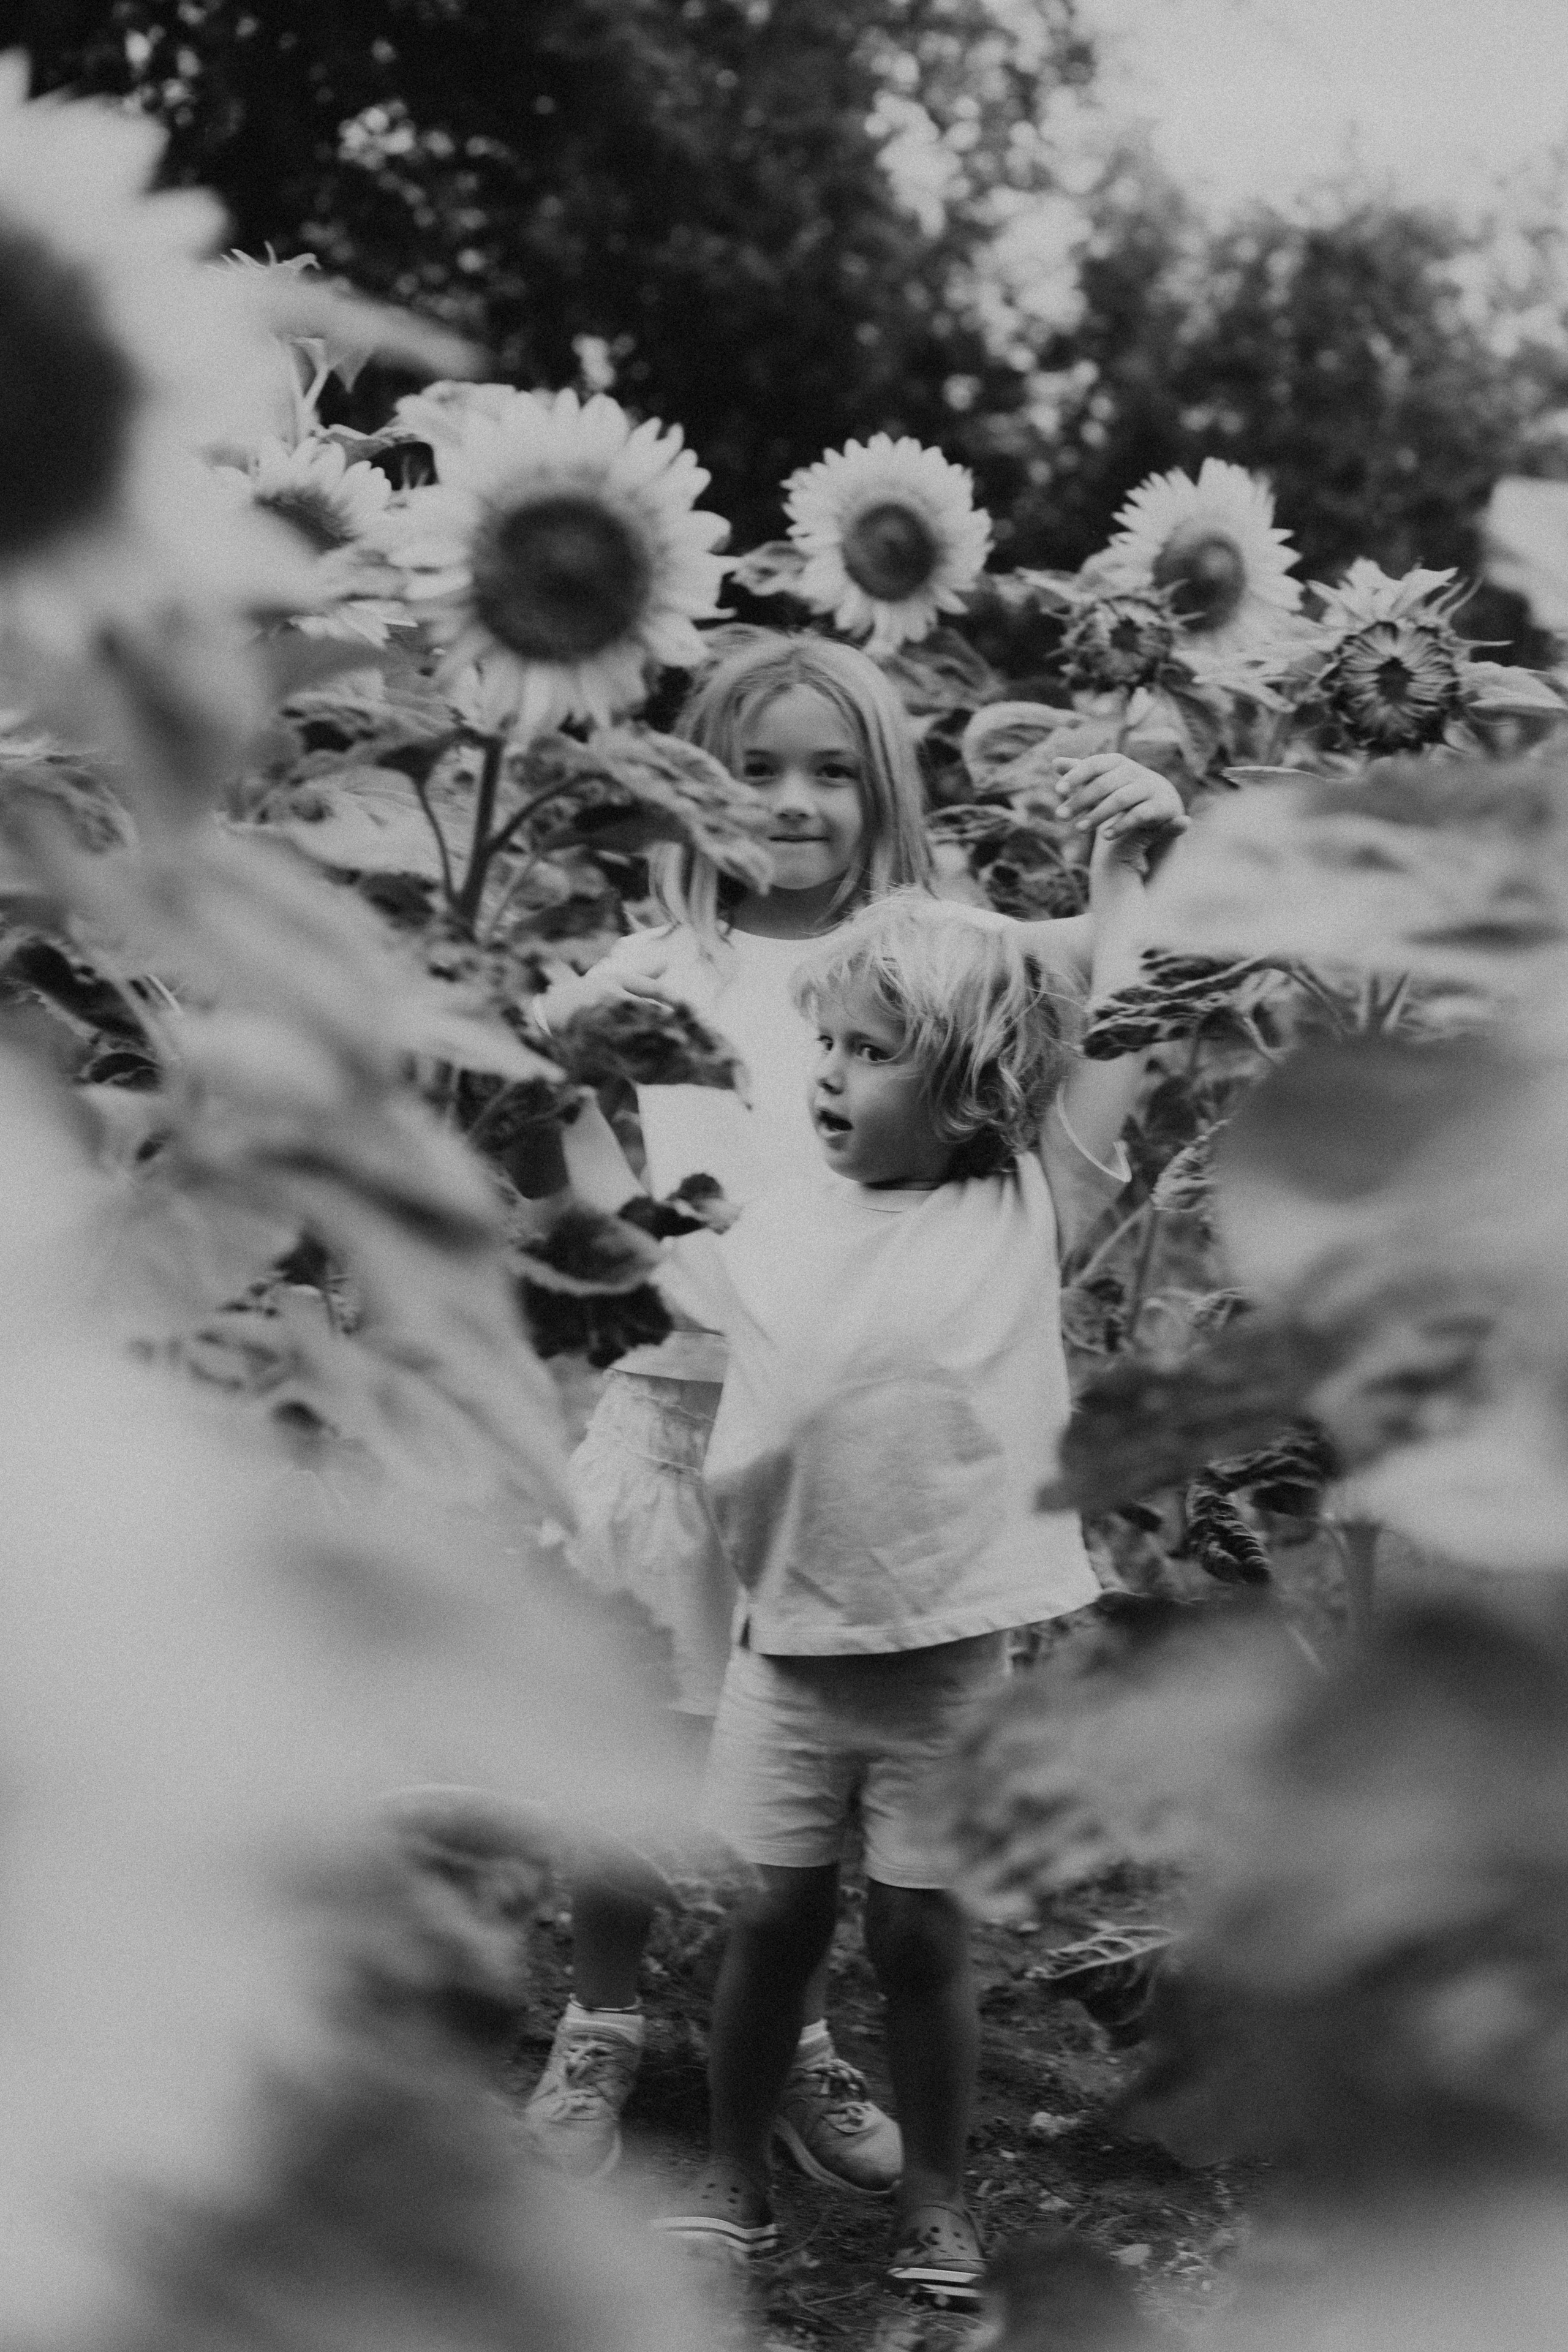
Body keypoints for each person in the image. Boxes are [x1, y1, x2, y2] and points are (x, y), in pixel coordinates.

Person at [522, 628, 1180, 2190]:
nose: (795, 801)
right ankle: (601, 2022)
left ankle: (795, 2047)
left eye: (832, 772)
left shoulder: (938, 936)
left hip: (847, 1458)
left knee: (796, 1810)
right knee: (633, 1741)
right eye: (755, 770)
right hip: (682, 1409)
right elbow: (532, 1048)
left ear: (882, 792)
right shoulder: (657, 966)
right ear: (696, 787)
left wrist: (1136, 829)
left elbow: (1111, 965)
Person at [647, 808, 1177, 2304]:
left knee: (921, 1940)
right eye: (828, 1046)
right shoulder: (775, 1220)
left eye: (872, 1054)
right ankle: (736, 2177)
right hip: (785, 1653)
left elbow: (1124, 1039)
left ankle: (934, 2202)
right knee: (768, 1927)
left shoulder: (1021, 1210)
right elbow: (649, 1274)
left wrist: (1122, 887)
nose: (828, 1077)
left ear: (973, 1092)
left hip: (947, 1660)